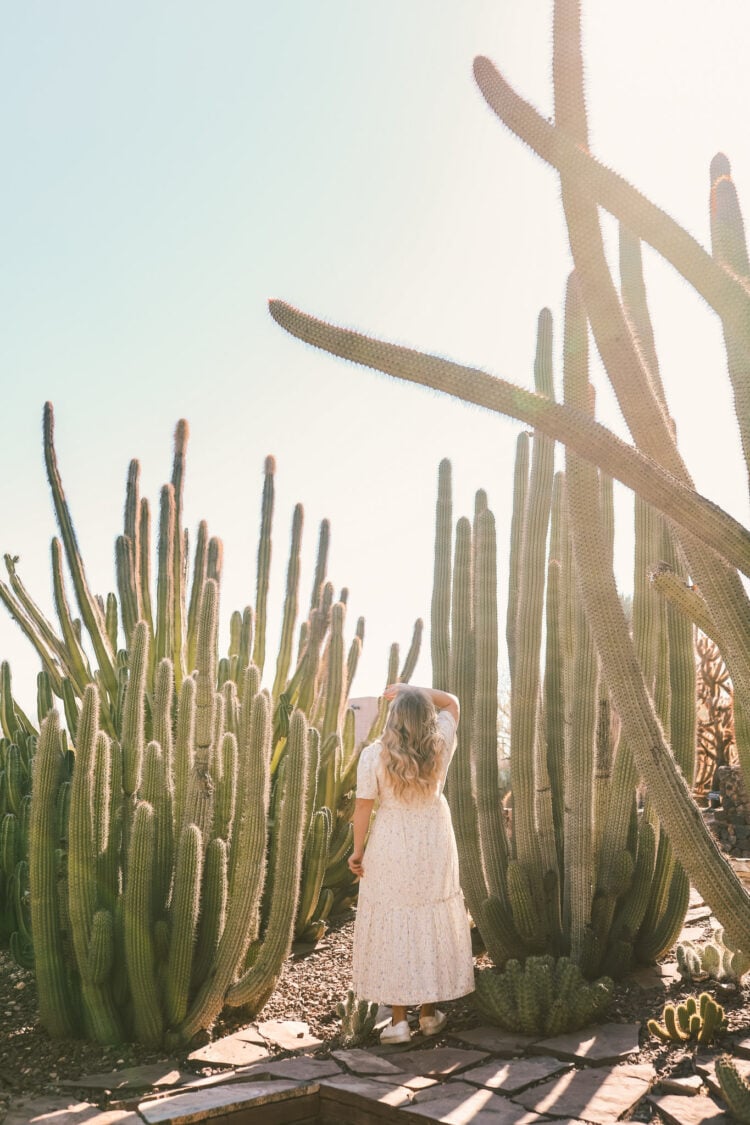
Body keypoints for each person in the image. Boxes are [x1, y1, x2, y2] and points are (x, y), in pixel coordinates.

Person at [348, 682, 475, 1044]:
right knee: (428, 919)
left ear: (393, 719)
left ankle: (398, 1022)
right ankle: (429, 1015)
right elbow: (452, 701)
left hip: (390, 841)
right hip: (433, 840)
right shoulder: (441, 745)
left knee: (394, 921)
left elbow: (363, 806)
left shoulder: (374, 755)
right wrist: (411, 689)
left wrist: (358, 851)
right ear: (427, 719)